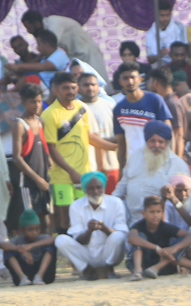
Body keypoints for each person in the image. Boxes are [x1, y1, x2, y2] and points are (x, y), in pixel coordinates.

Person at [44, 73, 117, 233]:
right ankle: (66, 246)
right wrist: (71, 172)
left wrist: (114, 147)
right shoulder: (49, 114)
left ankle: (83, 245)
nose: (70, 91)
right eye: (65, 88)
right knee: (65, 215)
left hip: (84, 173)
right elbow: (51, 149)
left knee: (84, 213)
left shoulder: (82, 108)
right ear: (57, 90)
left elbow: (90, 136)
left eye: (73, 87)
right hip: (62, 176)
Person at [55, 171, 128, 279]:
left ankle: (108, 269)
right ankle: (87, 270)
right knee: (60, 240)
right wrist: (89, 231)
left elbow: (122, 234)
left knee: (118, 235)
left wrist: (105, 228)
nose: (96, 191)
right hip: (87, 254)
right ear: (85, 190)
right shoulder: (76, 206)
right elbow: (78, 240)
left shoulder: (116, 203)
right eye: (91, 188)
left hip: (108, 252)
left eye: (99, 187)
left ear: (103, 187)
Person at [114, 120, 189, 224]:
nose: (156, 145)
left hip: (162, 223)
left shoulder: (178, 165)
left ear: (167, 143)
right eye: (152, 141)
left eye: (161, 142)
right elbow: (121, 187)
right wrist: (112, 202)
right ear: (146, 141)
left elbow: (185, 201)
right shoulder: (135, 157)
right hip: (131, 219)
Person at [6, 85, 52, 233]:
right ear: (24, 103)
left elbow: (42, 144)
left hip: (43, 177)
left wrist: (48, 160)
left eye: (39, 101)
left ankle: (45, 244)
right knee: (29, 220)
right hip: (28, 182)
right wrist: (37, 179)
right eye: (33, 102)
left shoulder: (40, 121)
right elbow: (17, 158)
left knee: (46, 217)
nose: (37, 105)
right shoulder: (20, 125)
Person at [19, 10, 108, 85]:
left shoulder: (53, 23)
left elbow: (48, 50)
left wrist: (22, 66)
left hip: (89, 54)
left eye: (29, 27)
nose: (28, 31)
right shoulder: (47, 28)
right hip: (75, 56)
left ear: (37, 23)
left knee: (98, 83)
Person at [111, 61, 173, 168]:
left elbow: (168, 132)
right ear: (120, 81)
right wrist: (121, 169)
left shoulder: (155, 100)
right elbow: (121, 142)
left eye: (133, 77)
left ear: (140, 79)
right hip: (133, 164)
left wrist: (170, 160)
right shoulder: (119, 109)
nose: (130, 81)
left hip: (157, 162)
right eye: (125, 78)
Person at [125, 194, 191, 280]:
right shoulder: (139, 225)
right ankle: (137, 271)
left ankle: (155, 268)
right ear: (144, 213)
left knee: (182, 241)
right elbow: (131, 238)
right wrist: (157, 248)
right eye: (152, 212)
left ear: (162, 212)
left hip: (162, 265)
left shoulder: (165, 226)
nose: (155, 215)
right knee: (139, 237)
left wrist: (174, 248)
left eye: (158, 212)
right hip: (142, 263)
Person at [2, 208, 56, 286]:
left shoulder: (43, 238)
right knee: (9, 250)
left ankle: (39, 277)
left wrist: (30, 246)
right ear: (22, 230)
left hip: (45, 276)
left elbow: (53, 239)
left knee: (50, 246)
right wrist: (21, 250)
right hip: (24, 273)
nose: (35, 232)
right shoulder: (17, 241)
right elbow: (3, 244)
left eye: (37, 228)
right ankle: (22, 278)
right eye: (30, 230)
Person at [145, 0, 188, 66]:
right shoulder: (150, 33)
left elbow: (186, 50)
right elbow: (150, 59)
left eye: (167, 15)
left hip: (179, 64)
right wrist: (159, 55)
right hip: (161, 67)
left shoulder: (180, 27)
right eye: (162, 15)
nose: (165, 18)